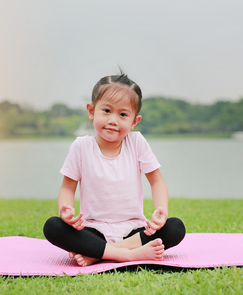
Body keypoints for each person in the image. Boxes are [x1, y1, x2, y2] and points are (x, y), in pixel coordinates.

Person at [43, 73, 186, 266]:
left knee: (175, 227)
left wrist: (162, 211)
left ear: (135, 121)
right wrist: (65, 210)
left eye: (123, 114)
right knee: (53, 226)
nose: (113, 120)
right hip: (93, 230)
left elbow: (157, 181)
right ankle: (128, 255)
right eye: (107, 110)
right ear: (91, 111)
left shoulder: (136, 142)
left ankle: (98, 253)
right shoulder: (81, 147)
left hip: (134, 230)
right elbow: (68, 188)